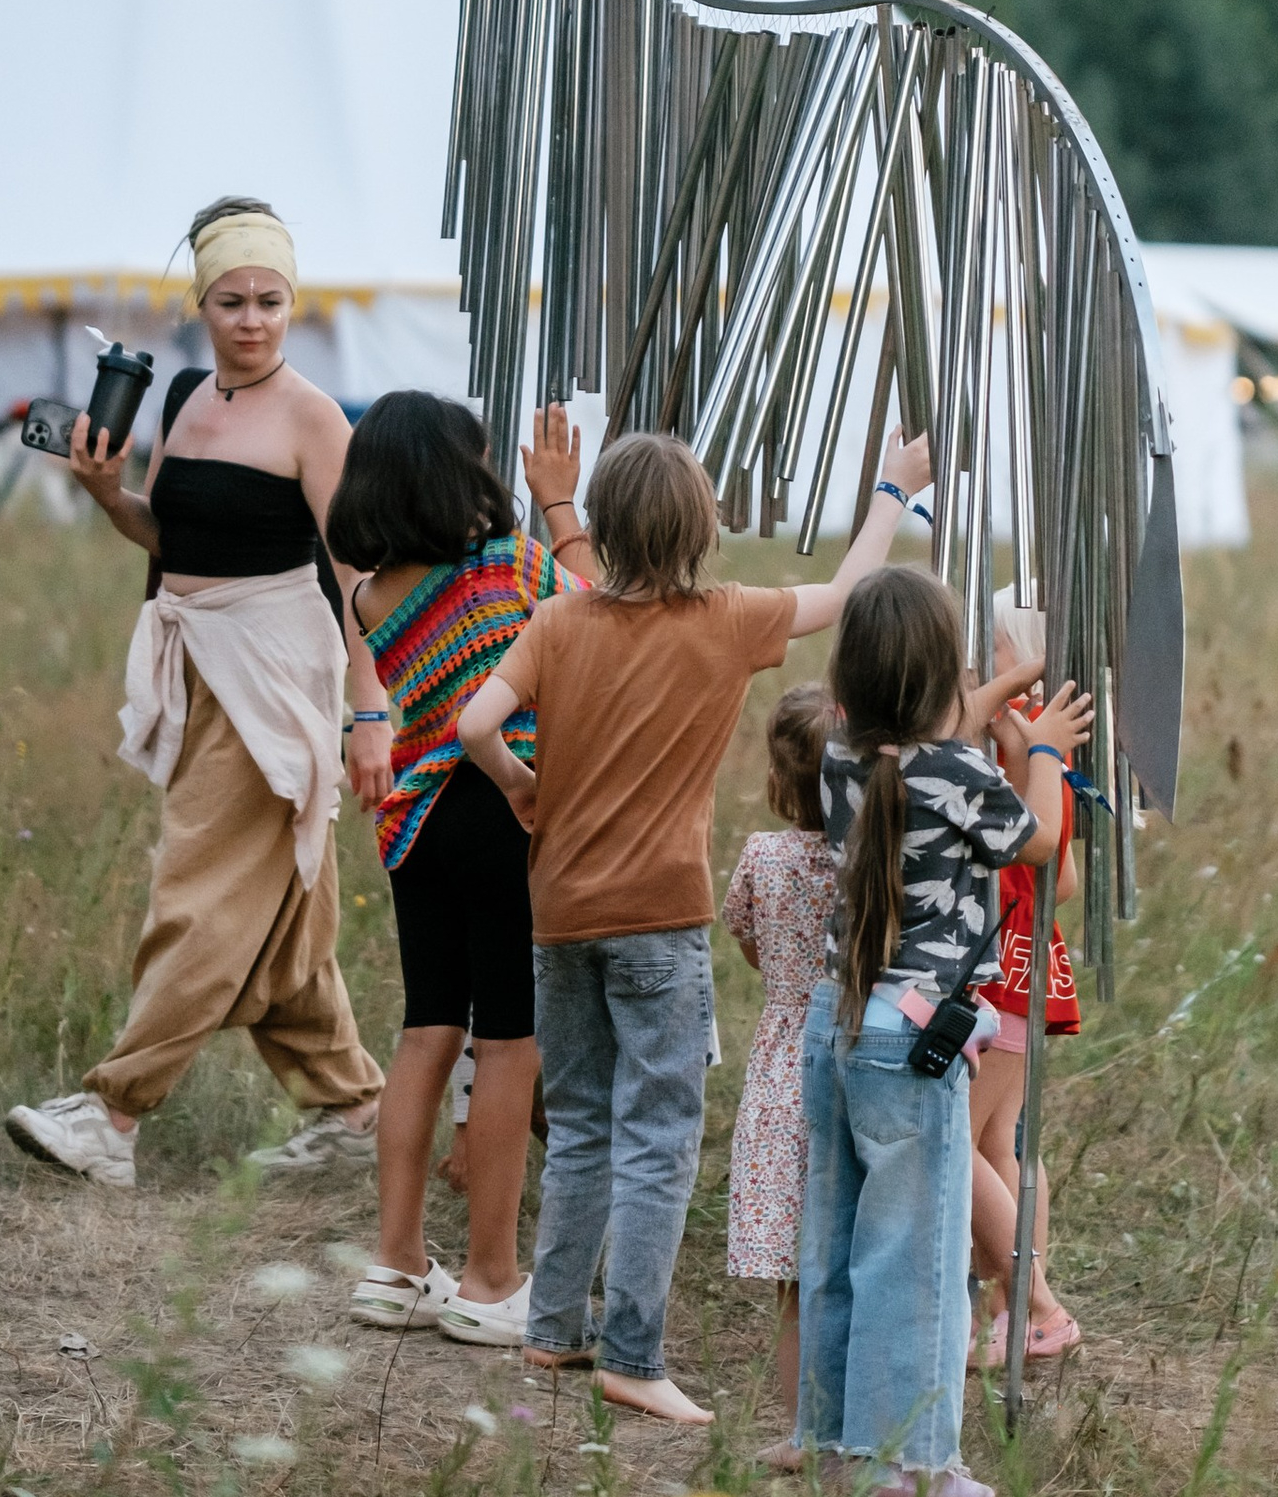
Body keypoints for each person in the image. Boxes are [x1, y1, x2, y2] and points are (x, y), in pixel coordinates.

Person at [457, 422, 933, 1427]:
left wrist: (516, 784)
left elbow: (472, 725)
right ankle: (632, 1355)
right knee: (659, 1136)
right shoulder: (728, 619)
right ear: (701, 524)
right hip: (658, 919)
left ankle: (554, 1332)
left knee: (582, 1125)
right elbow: (848, 595)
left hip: (560, 916)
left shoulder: (559, 617)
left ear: (607, 528)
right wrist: (892, 491)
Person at [4, 198, 389, 1192]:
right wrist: (102, 490)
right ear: (203, 305)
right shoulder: (181, 396)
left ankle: (114, 1115)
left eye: (269, 301)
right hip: (197, 663)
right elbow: (169, 540)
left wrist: (370, 712)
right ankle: (354, 1108)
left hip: (273, 673)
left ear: (291, 304)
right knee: (282, 913)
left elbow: (356, 576)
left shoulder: (313, 418)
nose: (252, 319)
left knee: (199, 896)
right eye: (233, 301)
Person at [795, 568, 1088, 1497]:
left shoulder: (845, 758)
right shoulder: (962, 775)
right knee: (918, 1264)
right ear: (936, 682)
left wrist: (1001, 693)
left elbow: (934, 730)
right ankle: (910, 1468)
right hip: (913, 1050)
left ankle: (833, 1441)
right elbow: (1038, 840)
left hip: (836, 1032)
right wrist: (1041, 747)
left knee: (840, 1246)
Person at [330, 389, 594, 1347]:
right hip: (499, 808)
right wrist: (560, 507)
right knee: (509, 1040)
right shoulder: (504, 568)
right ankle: (491, 1279)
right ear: (460, 473)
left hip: (414, 827)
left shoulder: (368, 592)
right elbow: (599, 617)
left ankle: (395, 1263)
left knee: (425, 1032)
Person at [718, 682, 838, 1420]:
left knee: (797, 1273)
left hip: (785, 1059)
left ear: (777, 776)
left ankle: (803, 1425)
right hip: (852, 1045)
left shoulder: (763, 858)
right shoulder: (872, 856)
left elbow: (749, 940)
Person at [971, 842, 1082, 1369]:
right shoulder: (1050, 767)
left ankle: (1034, 1305)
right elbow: (1063, 883)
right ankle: (1010, 1316)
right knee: (999, 1143)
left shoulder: (1005, 765)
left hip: (997, 959)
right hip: (1027, 955)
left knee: (957, 1143)